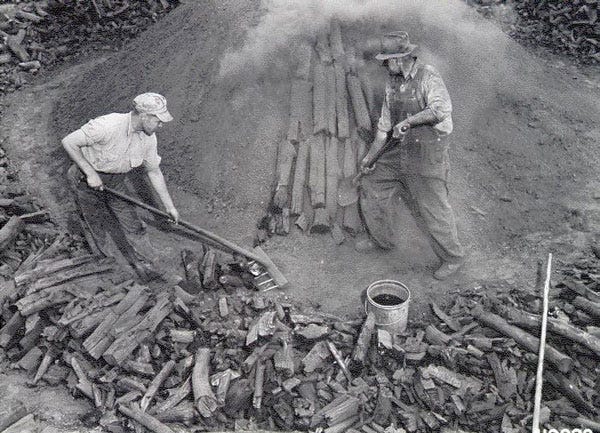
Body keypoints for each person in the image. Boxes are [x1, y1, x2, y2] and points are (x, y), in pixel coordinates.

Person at [356, 31, 466, 280]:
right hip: (399, 151)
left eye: (387, 61)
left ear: (398, 59)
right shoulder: (392, 84)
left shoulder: (428, 76)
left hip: (427, 152)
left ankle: (453, 258)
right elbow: (384, 130)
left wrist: (410, 121)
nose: (384, 65)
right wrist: (369, 159)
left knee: (433, 206)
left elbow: (441, 109)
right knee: (373, 183)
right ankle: (382, 239)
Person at [62, 92, 180, 282]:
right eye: (158, 120)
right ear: (144, 116)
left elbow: (154, 172)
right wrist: (90, 173)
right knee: (95, 224)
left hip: (116, 182)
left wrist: (170, 207)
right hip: (85, 180)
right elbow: (69, 141)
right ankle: (109, 267)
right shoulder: (107, 125)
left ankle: (149, 266)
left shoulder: (149, 138)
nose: (161, 125)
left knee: (132, 223)